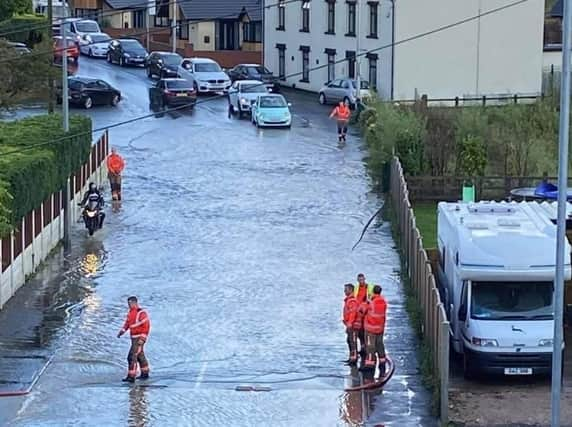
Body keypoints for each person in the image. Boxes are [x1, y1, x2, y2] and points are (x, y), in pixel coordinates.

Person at [117, 296, 151, 383]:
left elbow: (146, 326)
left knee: (132, 356)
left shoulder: (141, 313)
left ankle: (131, 376)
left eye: (130, 303)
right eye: (128, 303)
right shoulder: (130, 313)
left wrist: (143, 339)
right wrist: (122, 331)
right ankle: (145, 373)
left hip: (139, 338)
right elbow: (127, 323)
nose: (129, 305)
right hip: (133, 338)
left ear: (135, 303)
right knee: (140, 355)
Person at [361, 285, 388, 375]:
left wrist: (366, 302)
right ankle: (382, 362)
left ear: (373, 291)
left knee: (370, 346)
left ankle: (370, 365)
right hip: (380, 328)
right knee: (380, 344)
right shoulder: (383, 302)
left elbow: (361, 311)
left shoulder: (371, 303)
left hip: (370, 328)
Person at [342, 283, 359, 365]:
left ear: (351, 290)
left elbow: (353, 313)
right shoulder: (349, 300)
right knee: (349, 340)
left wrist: (350, 323)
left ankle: (354, 358)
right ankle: (352, 357)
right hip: (350, 324)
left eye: (346, 289)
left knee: (352, 341)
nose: (344, 291)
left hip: (353, 325)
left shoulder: (352, 301)